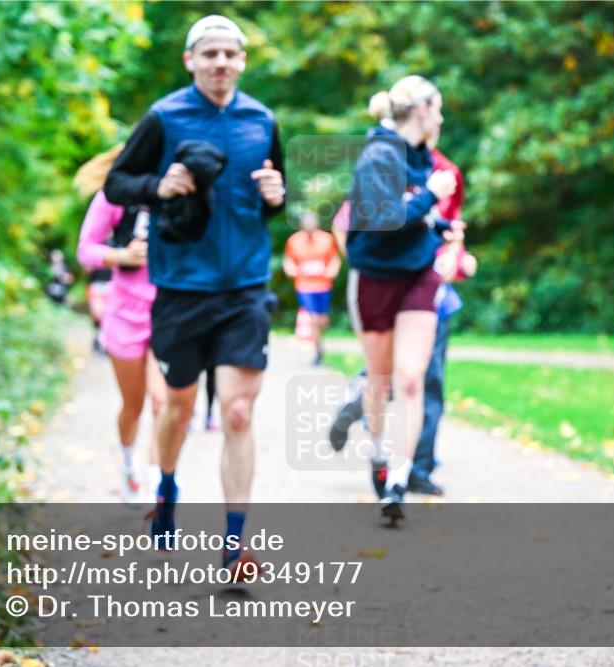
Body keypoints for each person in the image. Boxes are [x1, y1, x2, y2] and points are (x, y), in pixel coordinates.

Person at [103, 15, 285, 576]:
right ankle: (166, 490)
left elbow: (277, 195)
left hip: (246, 288)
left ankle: (235, 544)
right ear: (191, 61)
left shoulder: (263, 119)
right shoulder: (164, 117)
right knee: (179, 408)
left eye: (231, 54)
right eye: (210, 54)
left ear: (243, 61)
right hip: (182, 287)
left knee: (235, 411)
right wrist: (157, 186)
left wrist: (278, 196)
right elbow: (117, 183)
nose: (221, 63)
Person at [329, 113, 476, 496]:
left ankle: (415, 470)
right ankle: (364, 406)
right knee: (388, 376)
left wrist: (457, 258)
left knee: (423, 378)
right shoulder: (379, 162)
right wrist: (362, 266)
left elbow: (450, 222)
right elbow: (347, 224)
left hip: (428, 284)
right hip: (380, 280)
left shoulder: (444, 168)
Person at [74, 146, 166, 506]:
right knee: (135, 404)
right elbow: (86, 250)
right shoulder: (115, 196)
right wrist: (122, 256)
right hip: (125, 312)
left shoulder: (179, 193)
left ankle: (161, 481)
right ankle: (130, 465)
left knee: (164, 400)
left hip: (168, 311)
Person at [284, 211, 341, 365]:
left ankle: (319, 340)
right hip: (304, 285)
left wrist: (331, 270)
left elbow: (334, 260)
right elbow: (288, 261)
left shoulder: (326, 239)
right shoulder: (294, 241)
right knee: (313, 318)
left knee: (322, 319)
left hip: (323, 285)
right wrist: (293, 270)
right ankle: (318, 352)